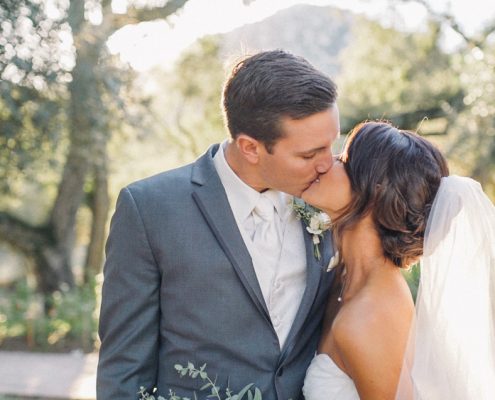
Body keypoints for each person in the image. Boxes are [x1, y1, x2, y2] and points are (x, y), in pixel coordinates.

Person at [96, 50, 340, 400]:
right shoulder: (150, 209)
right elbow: (124, 369)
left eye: (331, 145)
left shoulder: (330, 200)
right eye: (308, 154)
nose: (327, 164)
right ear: (250, 148)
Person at [301, 121, 495, 399]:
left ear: (374, 193)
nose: (328, 162)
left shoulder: (368, 315)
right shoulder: (348, 280)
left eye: (344, 159)